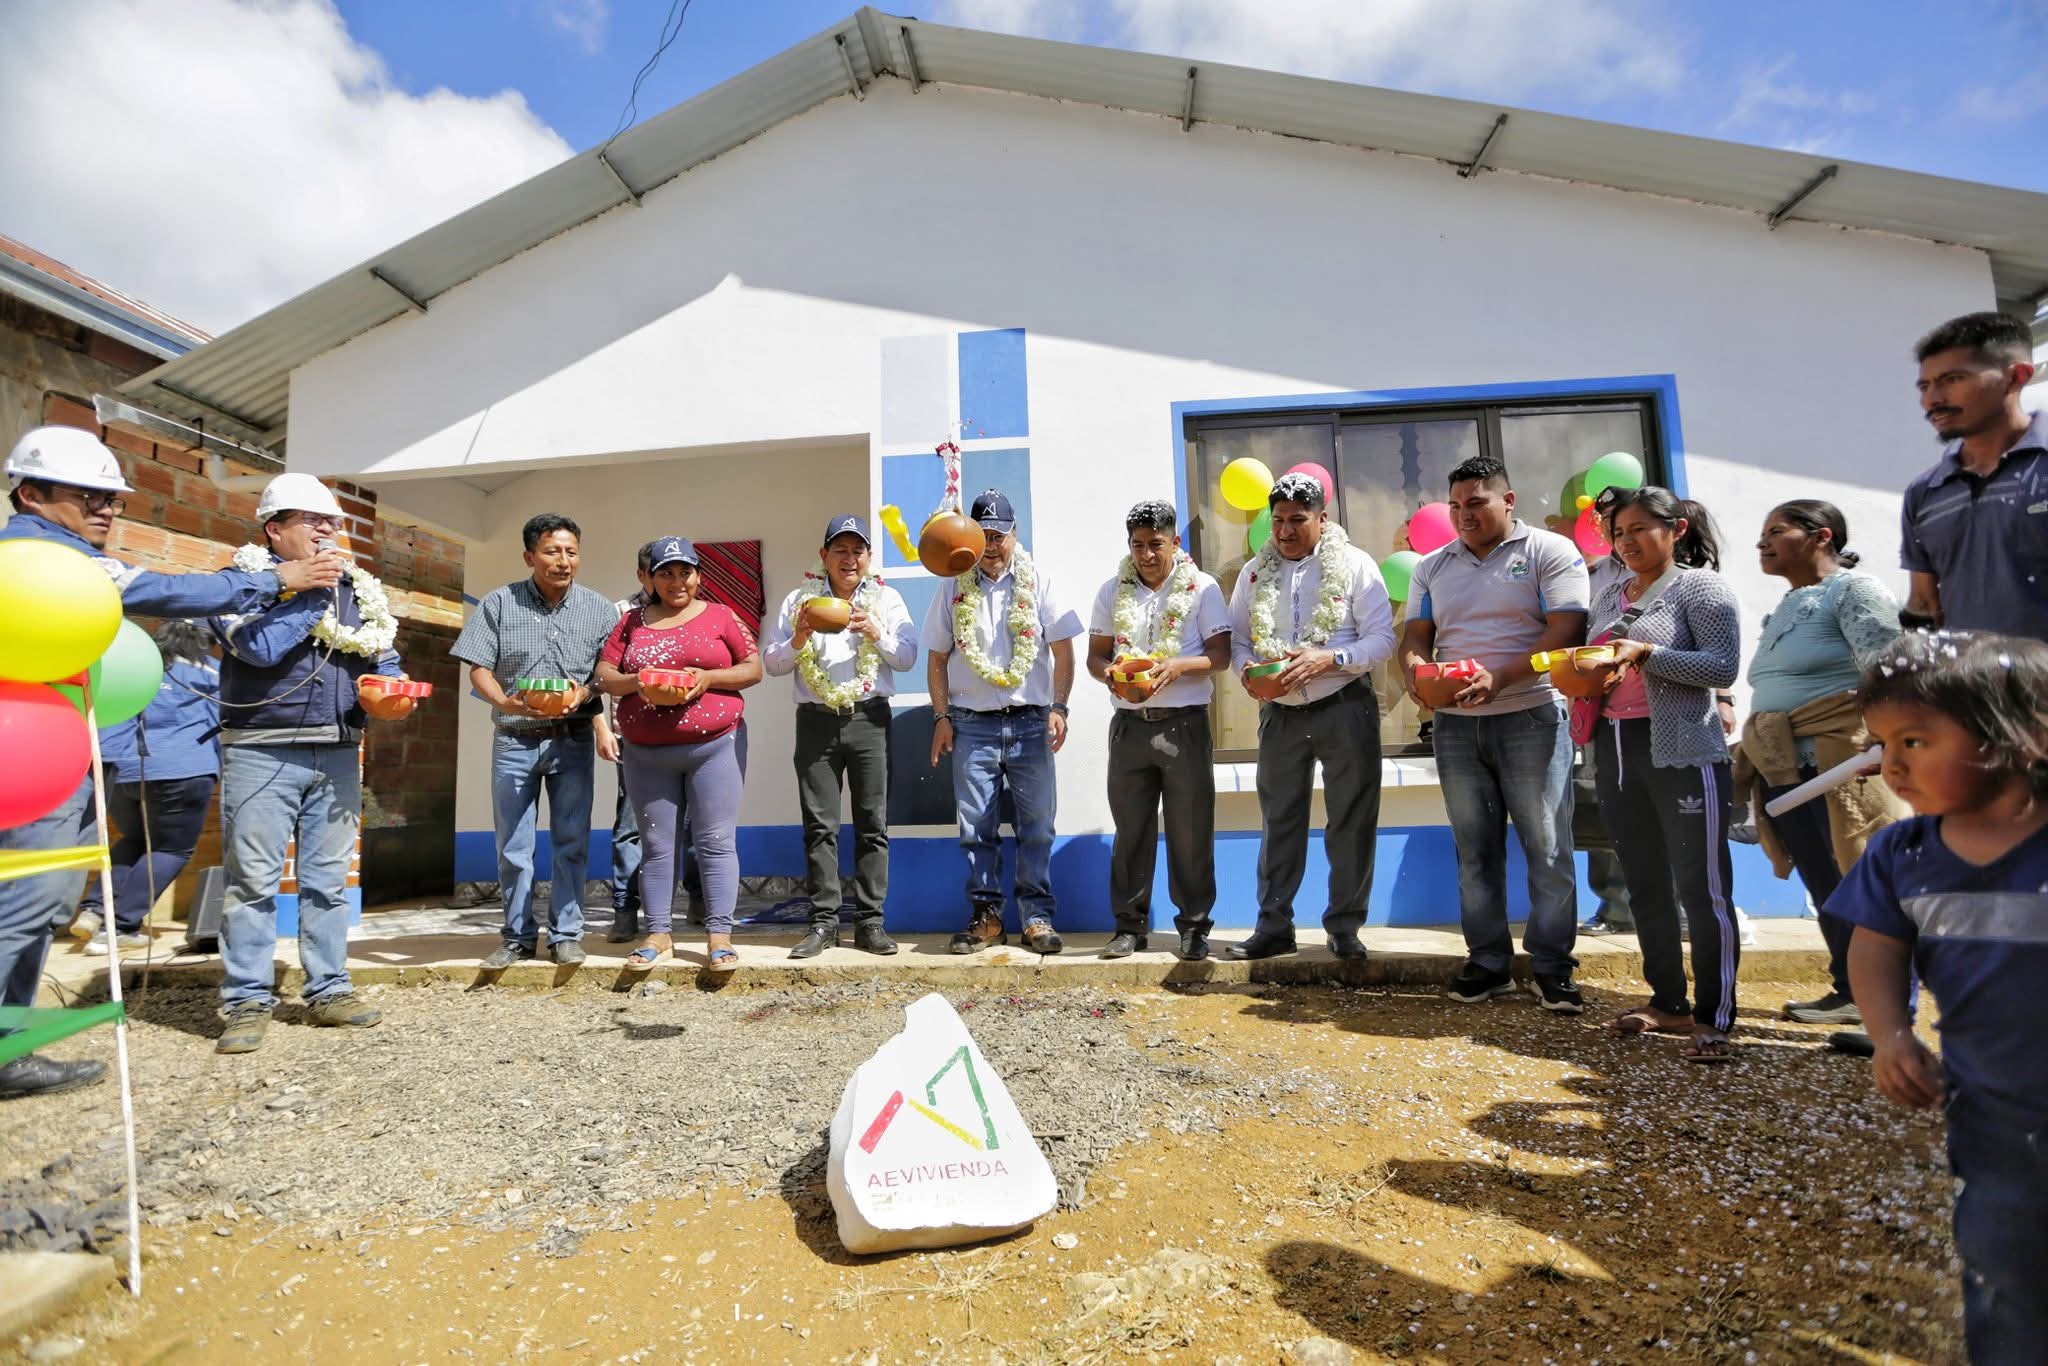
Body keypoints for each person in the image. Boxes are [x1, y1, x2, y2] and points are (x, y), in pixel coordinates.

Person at [0, 426, 326, 1099]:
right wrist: (273, 580)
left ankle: (10, 1051)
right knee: (27, 899)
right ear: (31, 493)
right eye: (89, 495)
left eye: (114, 499)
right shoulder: (43, 555)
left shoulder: (51, 550)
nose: (108, 510)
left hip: (60, 748)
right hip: (28, 749)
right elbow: (172, 593)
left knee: (40, 898)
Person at [1830, 631, 2048, 1362]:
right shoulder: (1904, 853)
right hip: (1994, 1121)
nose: (1890, 764)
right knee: (2004, 1272)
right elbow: (1877, 947)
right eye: (1881, 742)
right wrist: (1890, 1032)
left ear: (2020, 737)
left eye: (1916, 740)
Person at [210, 474, 406, 1054]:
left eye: (334, 523)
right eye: (312, 520)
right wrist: (313, 594)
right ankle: (246, 1000)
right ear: (275, 529)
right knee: (252, 883)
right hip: (260, 749)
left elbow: (384, 654)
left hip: (340, 748)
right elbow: (257, 648)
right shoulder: (238, 580)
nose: (328, 532)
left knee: (327, 882)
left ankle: (329, 989)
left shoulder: (360, 588)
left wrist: (390, 688)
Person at [1400, 455, 1589, 1010]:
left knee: (1548, 847)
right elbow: (1416, 635)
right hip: (1456, 727)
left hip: (1531, 716)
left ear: (1509, 501)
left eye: (1476, 503)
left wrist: (1500, 678)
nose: (1464, 516)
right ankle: (1488, 963)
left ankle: (1553, 966)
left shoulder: (1550, 553)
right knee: (1474, 851)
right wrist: (1415, 673)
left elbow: (1566, 632)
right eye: (1455, 506)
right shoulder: (1431, 567)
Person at [1730, 500, 1906, 1029]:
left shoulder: (1854, 590)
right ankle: (1848, 988)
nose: (1762, 542)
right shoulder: (1785, 606)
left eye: (1775, 531)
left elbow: (1889, 666)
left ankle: (1884, 1004)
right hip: (1787, 768)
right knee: (1824, 881)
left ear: (1820, 537)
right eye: (1762, 532)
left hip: (1842, 760)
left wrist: (1887, 739)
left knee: (1861, 877)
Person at [1585, 485, 1742, 1063]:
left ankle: (1715, 1016)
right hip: (1616, 747)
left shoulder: (1701, 588)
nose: (1625, 543)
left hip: (1682, 749)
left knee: (1702, 888)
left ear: (1675, 530)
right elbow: (1599, 662)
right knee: (1644, 884)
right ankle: (1667, 1002)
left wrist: (1645, 655)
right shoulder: (1608, 596)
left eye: (1638, 530)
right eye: (1618, 533)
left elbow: (1722, 665)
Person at [1225, 471, 1396, 961]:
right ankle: (1273, 927)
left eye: (1297, 520)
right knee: (1280, 820)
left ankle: (1344, 927)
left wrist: (1330, 658)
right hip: (1280, 713)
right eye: (1277, 521)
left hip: (1344, 706)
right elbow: (1239, 640)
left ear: (1323, 519)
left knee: (1351, 819)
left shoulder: (1356, 565)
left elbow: (1383, 639)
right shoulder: (1254, 573)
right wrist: (1249, 673)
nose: (1284, 531)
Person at [451, 513, 621, 970]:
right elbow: (479, 666)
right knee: (513, 846)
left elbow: (606, 674)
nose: (563, 561)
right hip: (514, 740)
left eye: (570, 551)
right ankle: (517, 937)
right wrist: (505, 702)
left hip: (573, 739)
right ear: (530, 556)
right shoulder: (499, 604)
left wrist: (587, 694)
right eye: (552, 551)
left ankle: (566, 935)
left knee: (571, 840)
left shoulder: (601, 609)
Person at [924, 490, 1084, 954]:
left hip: (1032, 723)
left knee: (1037, 825)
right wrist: (941, 716)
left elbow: (1063, 649)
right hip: (971, 724)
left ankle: (1036, 917)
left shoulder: (1040, 581)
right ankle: (987, 917)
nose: (992, 545)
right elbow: (936, 658)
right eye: (984, 535)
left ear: (1016, 535)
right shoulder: (953, 586)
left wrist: (1059, 707)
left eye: (1000, 535)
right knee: (976, 827)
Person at [595, 536, 761, 970]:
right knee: (656, 845)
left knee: (715, 841)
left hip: (714, 746)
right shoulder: (630, 623)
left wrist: (707, 679)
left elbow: (753, 668)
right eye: (665, 572)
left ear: (698, 576)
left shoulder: (722, 616)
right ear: (649, 579)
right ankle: (658, 935)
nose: (676, 581)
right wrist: (640, 682)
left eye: (684, 571)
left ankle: (719, 938)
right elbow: (605, 675)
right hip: (647, 752)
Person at [762, 514, 916, 958]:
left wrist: (876, 632)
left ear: (868, 557)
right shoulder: (799, 600)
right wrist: (799, 637)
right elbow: (771, 662)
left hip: (870, 718)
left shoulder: (886, 600)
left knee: (873, 825)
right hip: (814, 720)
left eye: (858, 550)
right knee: (819, 826)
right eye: (840, 550)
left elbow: (907, 657)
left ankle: (870, 923)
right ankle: (823, 923)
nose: (849, 559)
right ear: (824, 555)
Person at [1085, 500, 1230, 960]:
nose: (1146, 555)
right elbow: (1095, 657)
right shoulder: (1113, 590)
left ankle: (1193, 928)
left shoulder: (1202, 588)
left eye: (1155, 545)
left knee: (1190, 830)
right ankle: (1129, 927)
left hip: (1183, 725)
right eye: (1137, 545)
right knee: (1131, 831)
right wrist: (1112, 675)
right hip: (1129, 726)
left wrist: (1178, 667)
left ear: (1175, 543)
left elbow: (1221, 656)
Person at [70, 621, 222, 954]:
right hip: (183, 768)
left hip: (125, 770)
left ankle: (95, 910)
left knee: (136, 839)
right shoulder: (213, 672)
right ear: (206, 642)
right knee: (172, 849)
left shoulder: (140, 666)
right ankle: (122, 927)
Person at [1900, 311, 2046, 639]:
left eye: (1953, 379)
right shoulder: (1924, 492)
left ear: (2017, 377)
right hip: (1968, 687)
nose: (1932, 400)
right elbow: (1923, 603)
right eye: (1925, 385)